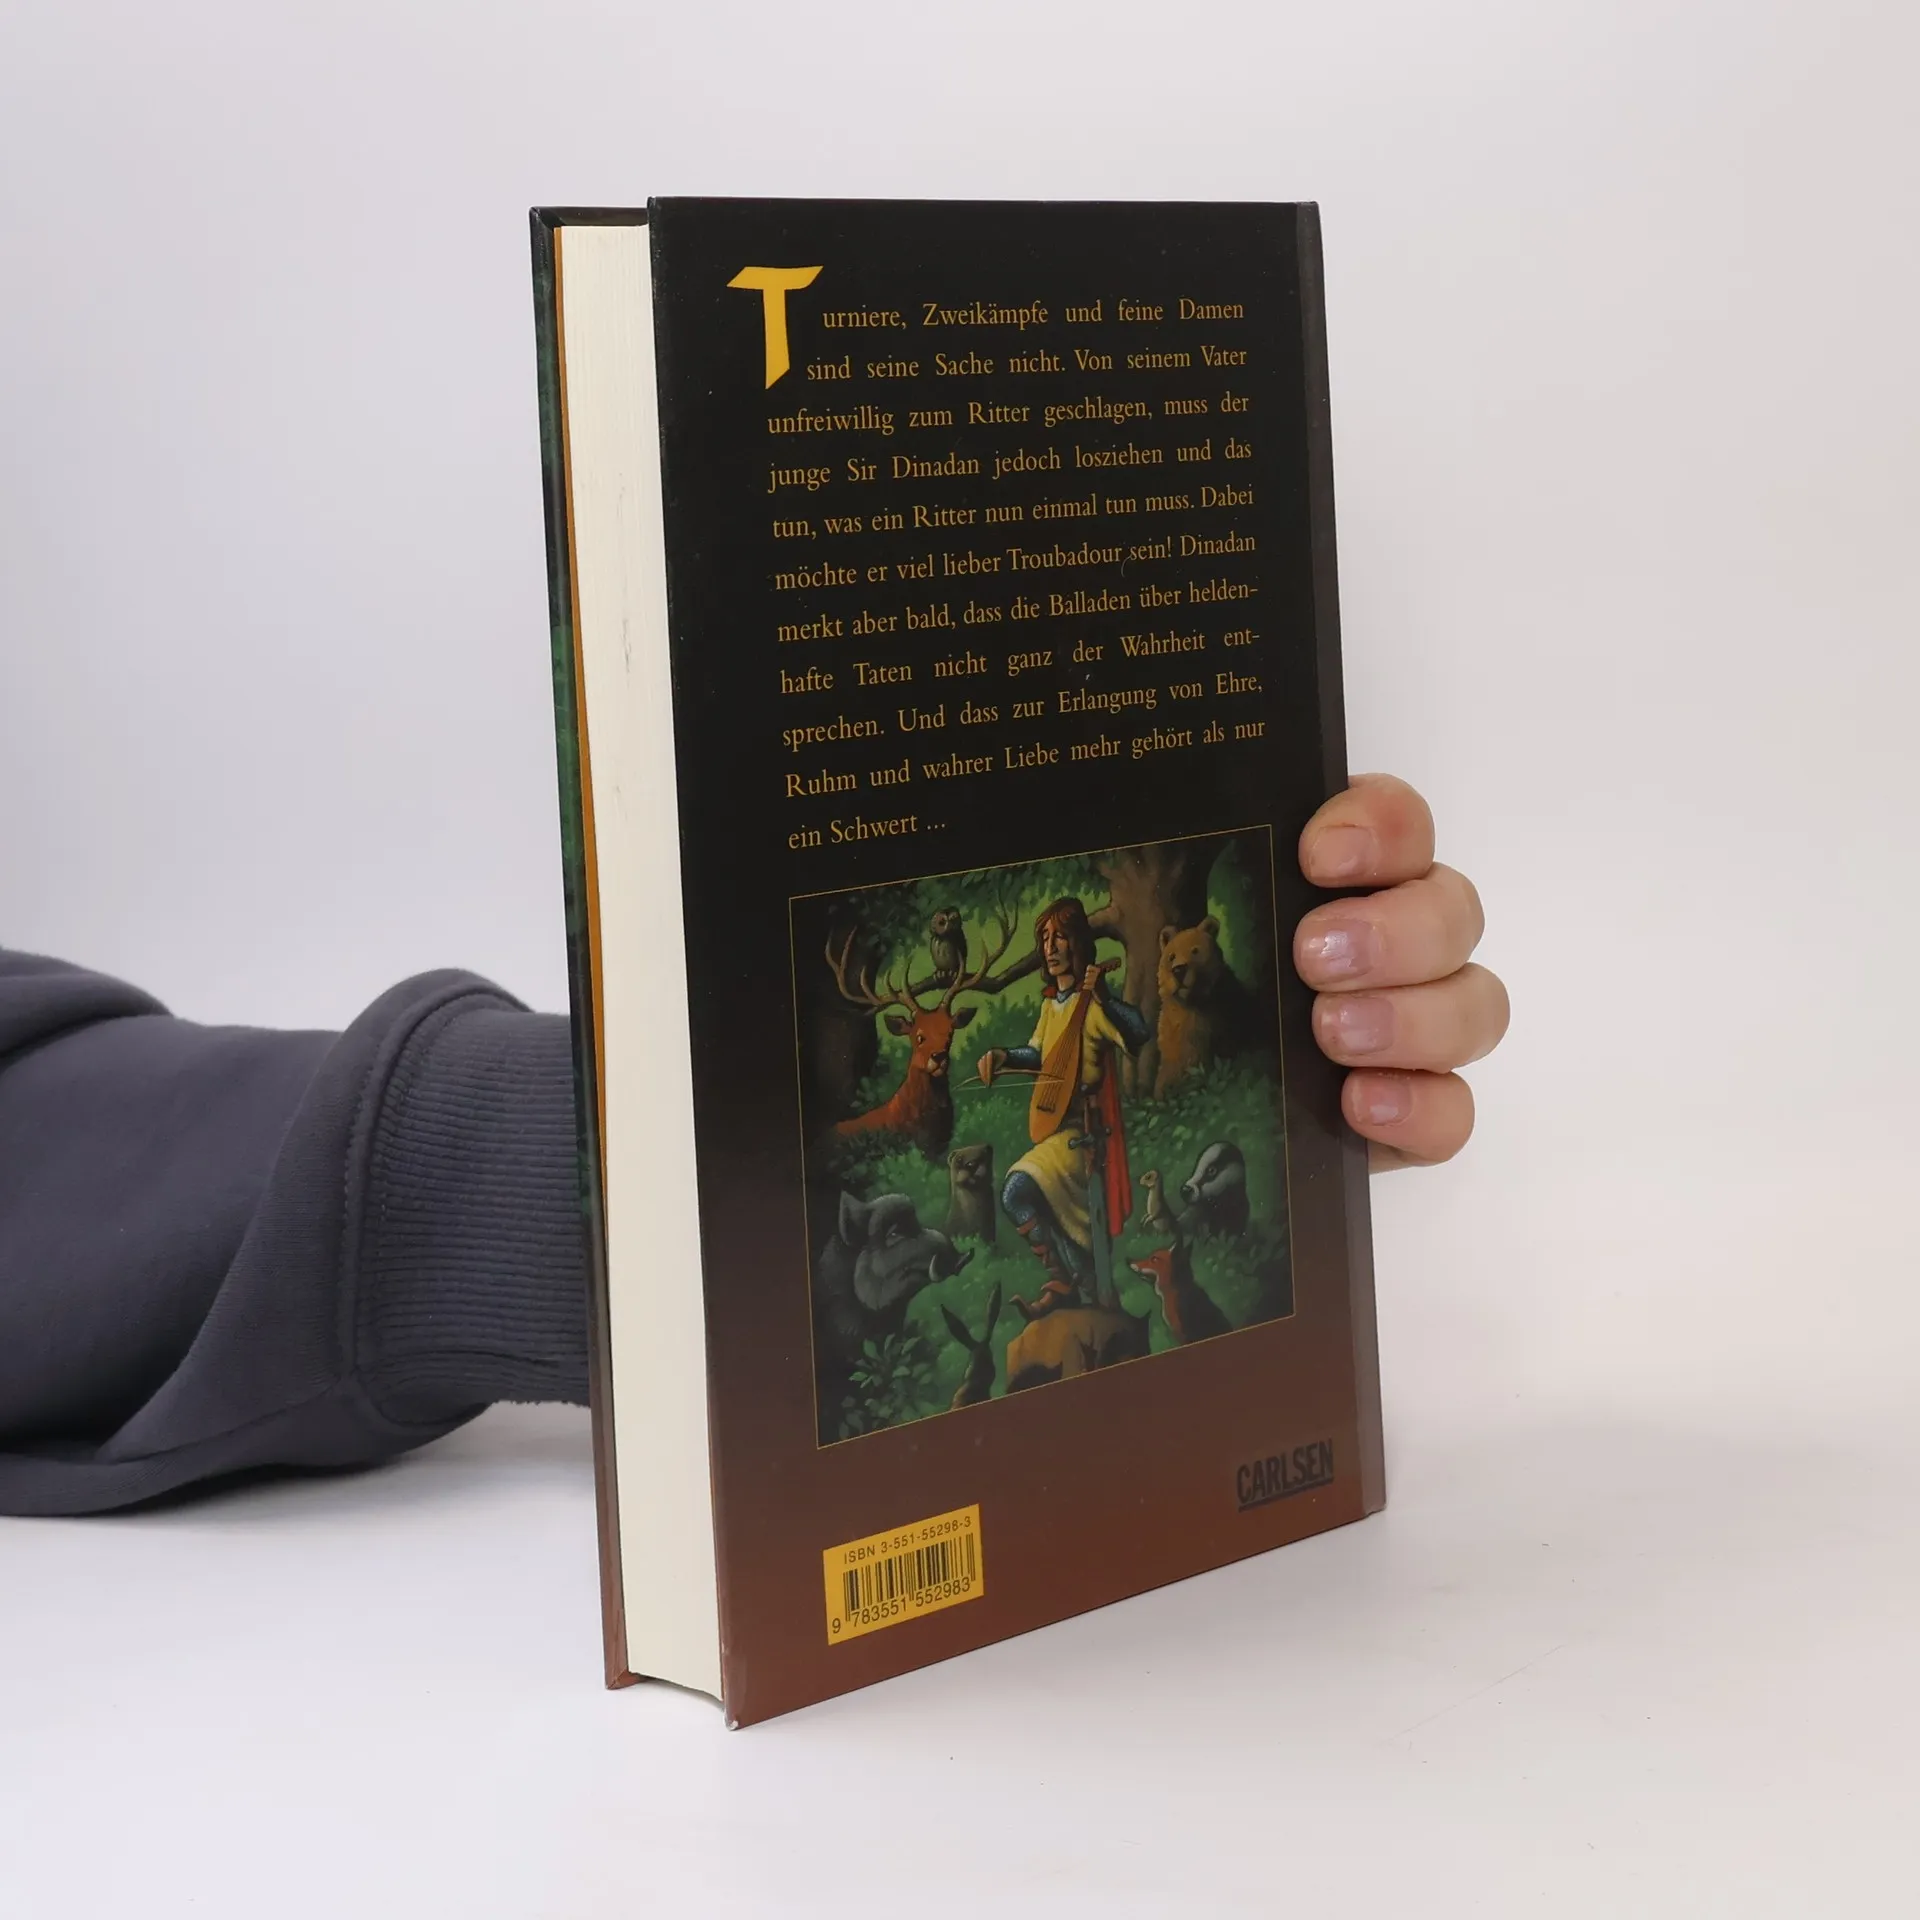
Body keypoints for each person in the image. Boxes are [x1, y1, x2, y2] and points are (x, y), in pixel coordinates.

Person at [0, 775, 1508, 1518]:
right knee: (1028, 1191)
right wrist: (637, 1183)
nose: (1060, 954)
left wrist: (1254, 1082)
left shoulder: (1097, 1004)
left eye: (1068, 943)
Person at [978, 895, 1150, 1317]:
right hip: (1055, 1131)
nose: (1051, 947)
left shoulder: (1093, 1008)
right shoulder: (1050, 1007)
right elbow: (1039, 1053)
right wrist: (1004, 1056)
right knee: (1037, 1205)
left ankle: (1069, 1283)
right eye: (1045, 938)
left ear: (1079, 943)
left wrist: (1104, 997)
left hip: (1083, 1136)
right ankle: (1073, 1285)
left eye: (1060, 937)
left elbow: (1138, 1035)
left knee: (1016, 1190)